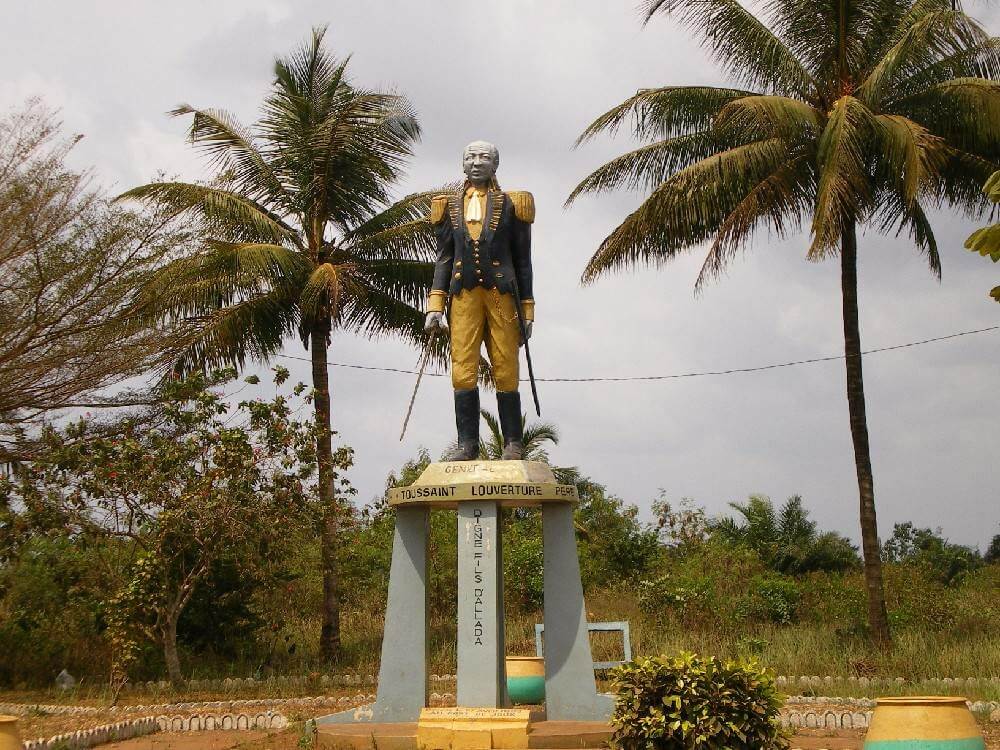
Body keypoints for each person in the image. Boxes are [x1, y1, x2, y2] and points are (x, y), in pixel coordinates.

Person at [424, 140, 535, 461]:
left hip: (502, 295)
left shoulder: (513, 204)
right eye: (470, 157)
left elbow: (523, 260)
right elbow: (444, 258)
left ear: (494, 165)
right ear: (463, 164)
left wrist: (527, 309)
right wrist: (435, 305)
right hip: (463, 295)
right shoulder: (448, 206)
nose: (476, 162)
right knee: (462, 367)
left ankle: (513, 442)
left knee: (506, 365)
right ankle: (467, 445)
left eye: (484, 157)